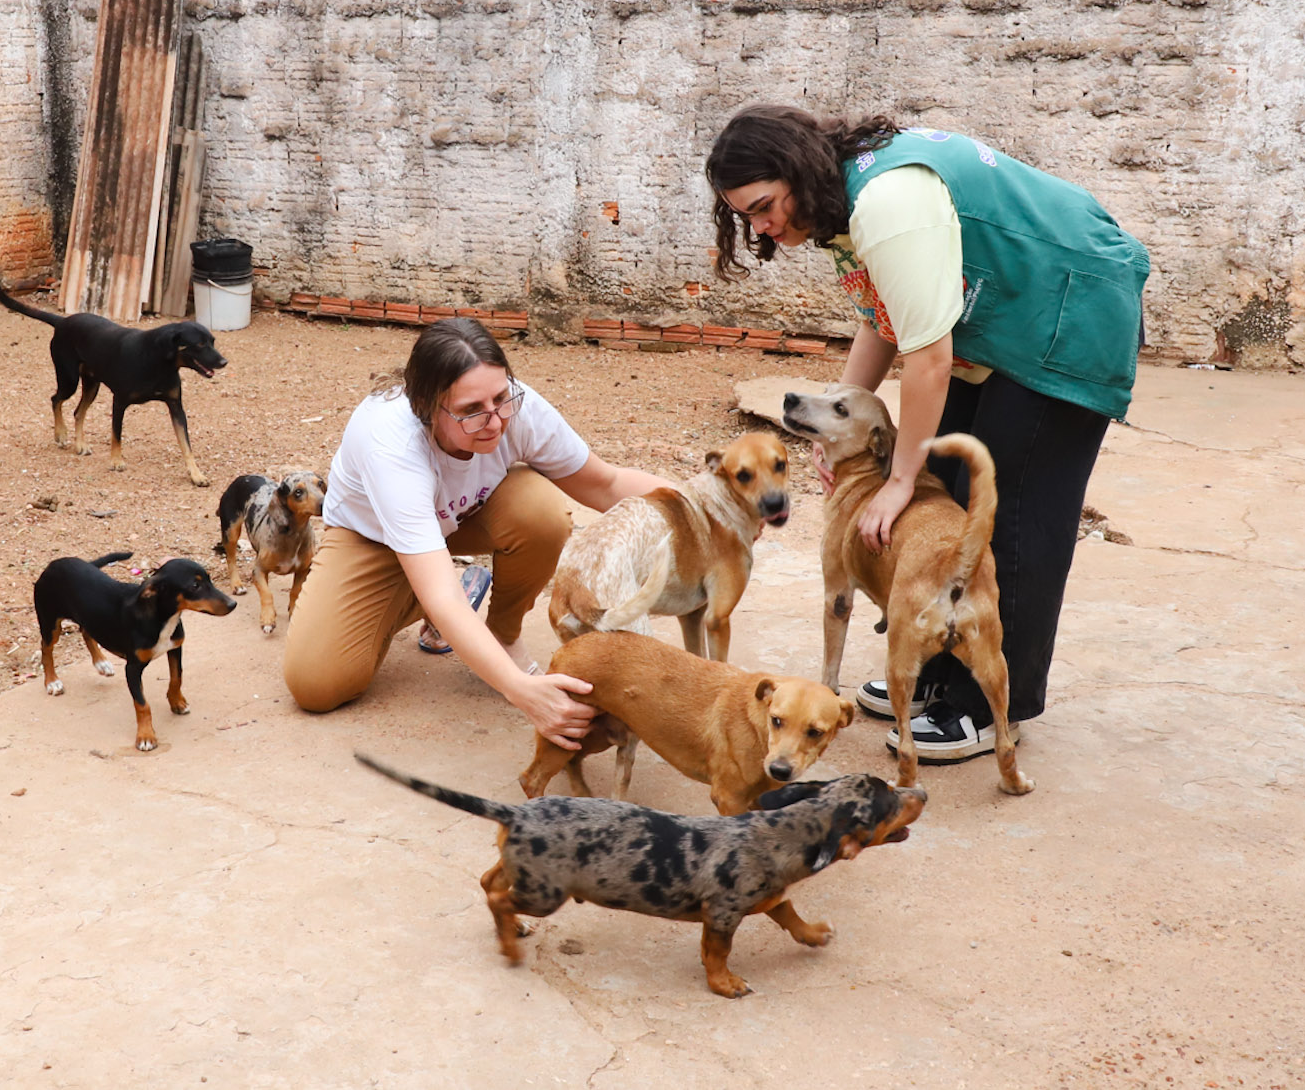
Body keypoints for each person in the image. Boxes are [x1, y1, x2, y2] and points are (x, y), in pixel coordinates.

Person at [705, 105, 1148, 765]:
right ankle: (938, 671)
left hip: (1067, 315)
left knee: (1006, 509)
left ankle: (988, 704)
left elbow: (929, 359)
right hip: (1007, 321)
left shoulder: (887, 203)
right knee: (950, 497)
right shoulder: (843, 202)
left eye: (765, 206)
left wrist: (900, 477)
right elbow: (886, 318)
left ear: (797, 170)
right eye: (747, 217)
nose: (762, 226)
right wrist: (839, 432)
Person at [282, 317, 672, 748]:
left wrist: (706, 512)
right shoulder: (392, 445)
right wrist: (520, 691)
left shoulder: (512, 409)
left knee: (541, 512)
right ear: (427, 407)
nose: (495, 421)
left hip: (460, 520)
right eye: (471, 411)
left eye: (501, 398)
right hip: (372, 540)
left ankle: (500, 636)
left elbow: (606, 484)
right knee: (316, 685)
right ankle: (432, 597)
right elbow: (441, 597)